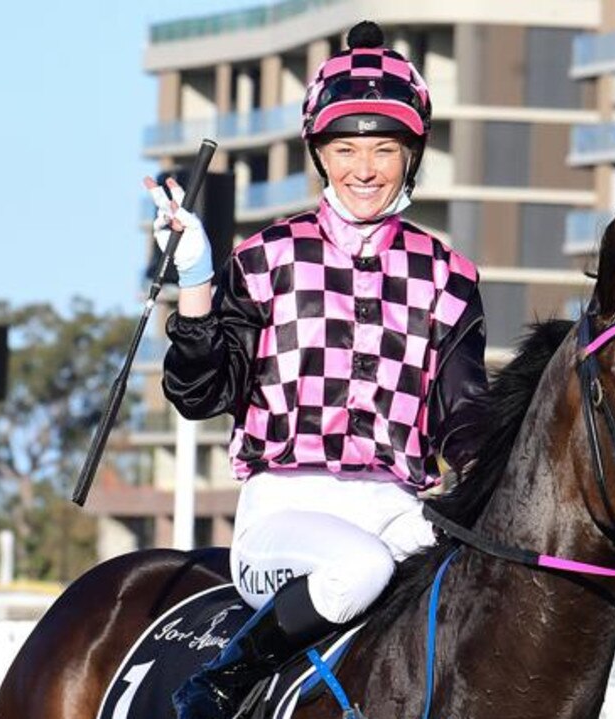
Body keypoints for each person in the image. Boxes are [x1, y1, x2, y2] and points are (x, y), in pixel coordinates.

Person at [149, 21, 488, 718]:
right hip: (285, 510)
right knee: (357, 566)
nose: (363, 169)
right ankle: (220, 679)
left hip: (400, 508)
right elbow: (201, 391)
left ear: (411, 154)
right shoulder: (266, 259)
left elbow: (463, 419)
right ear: (319, 154)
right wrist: (193, 282)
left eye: (383, 149)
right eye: (344, 148)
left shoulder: (450, 277)